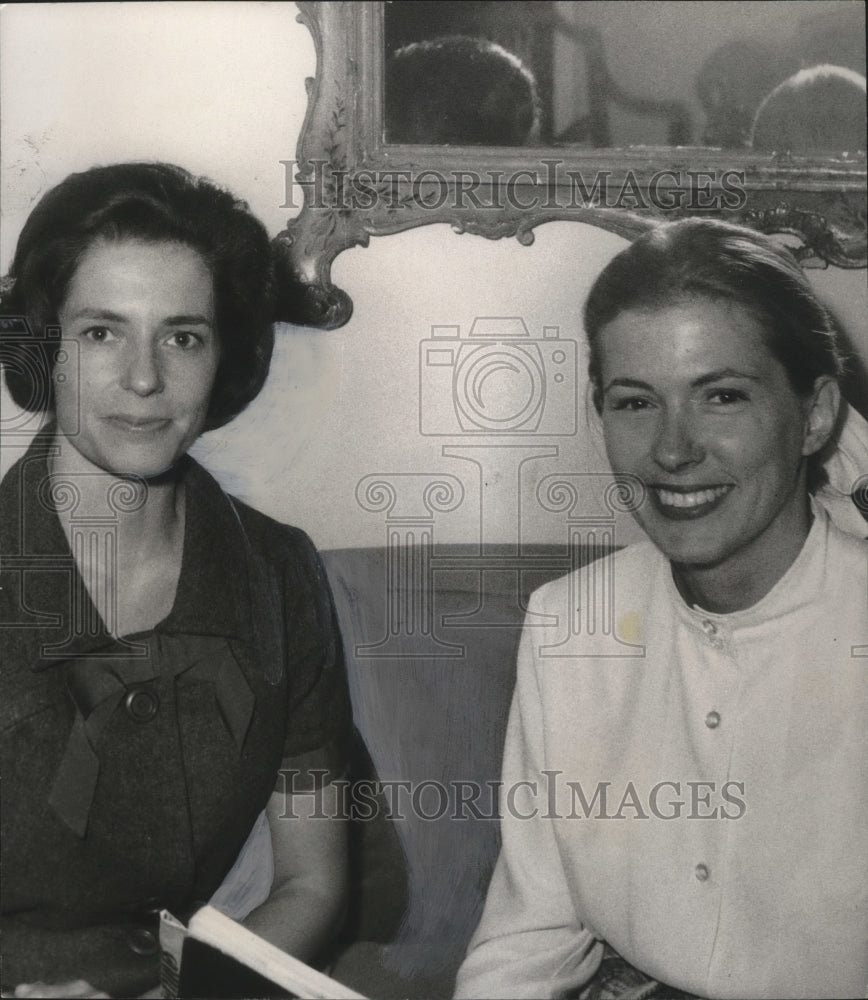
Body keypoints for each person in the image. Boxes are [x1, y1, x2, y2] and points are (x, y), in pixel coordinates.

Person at [454, 219, 868, 999]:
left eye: (722, 396)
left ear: (814, 415)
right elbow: (530, 935)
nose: (673, 451)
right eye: (636, 402)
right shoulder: (566, 625)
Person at [0, 163, 352, 998]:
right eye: (101, 332)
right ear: (42, 347)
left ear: (223, 353)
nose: (146, 378)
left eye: (183, 335)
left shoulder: (278, 574)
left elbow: (315, 884)